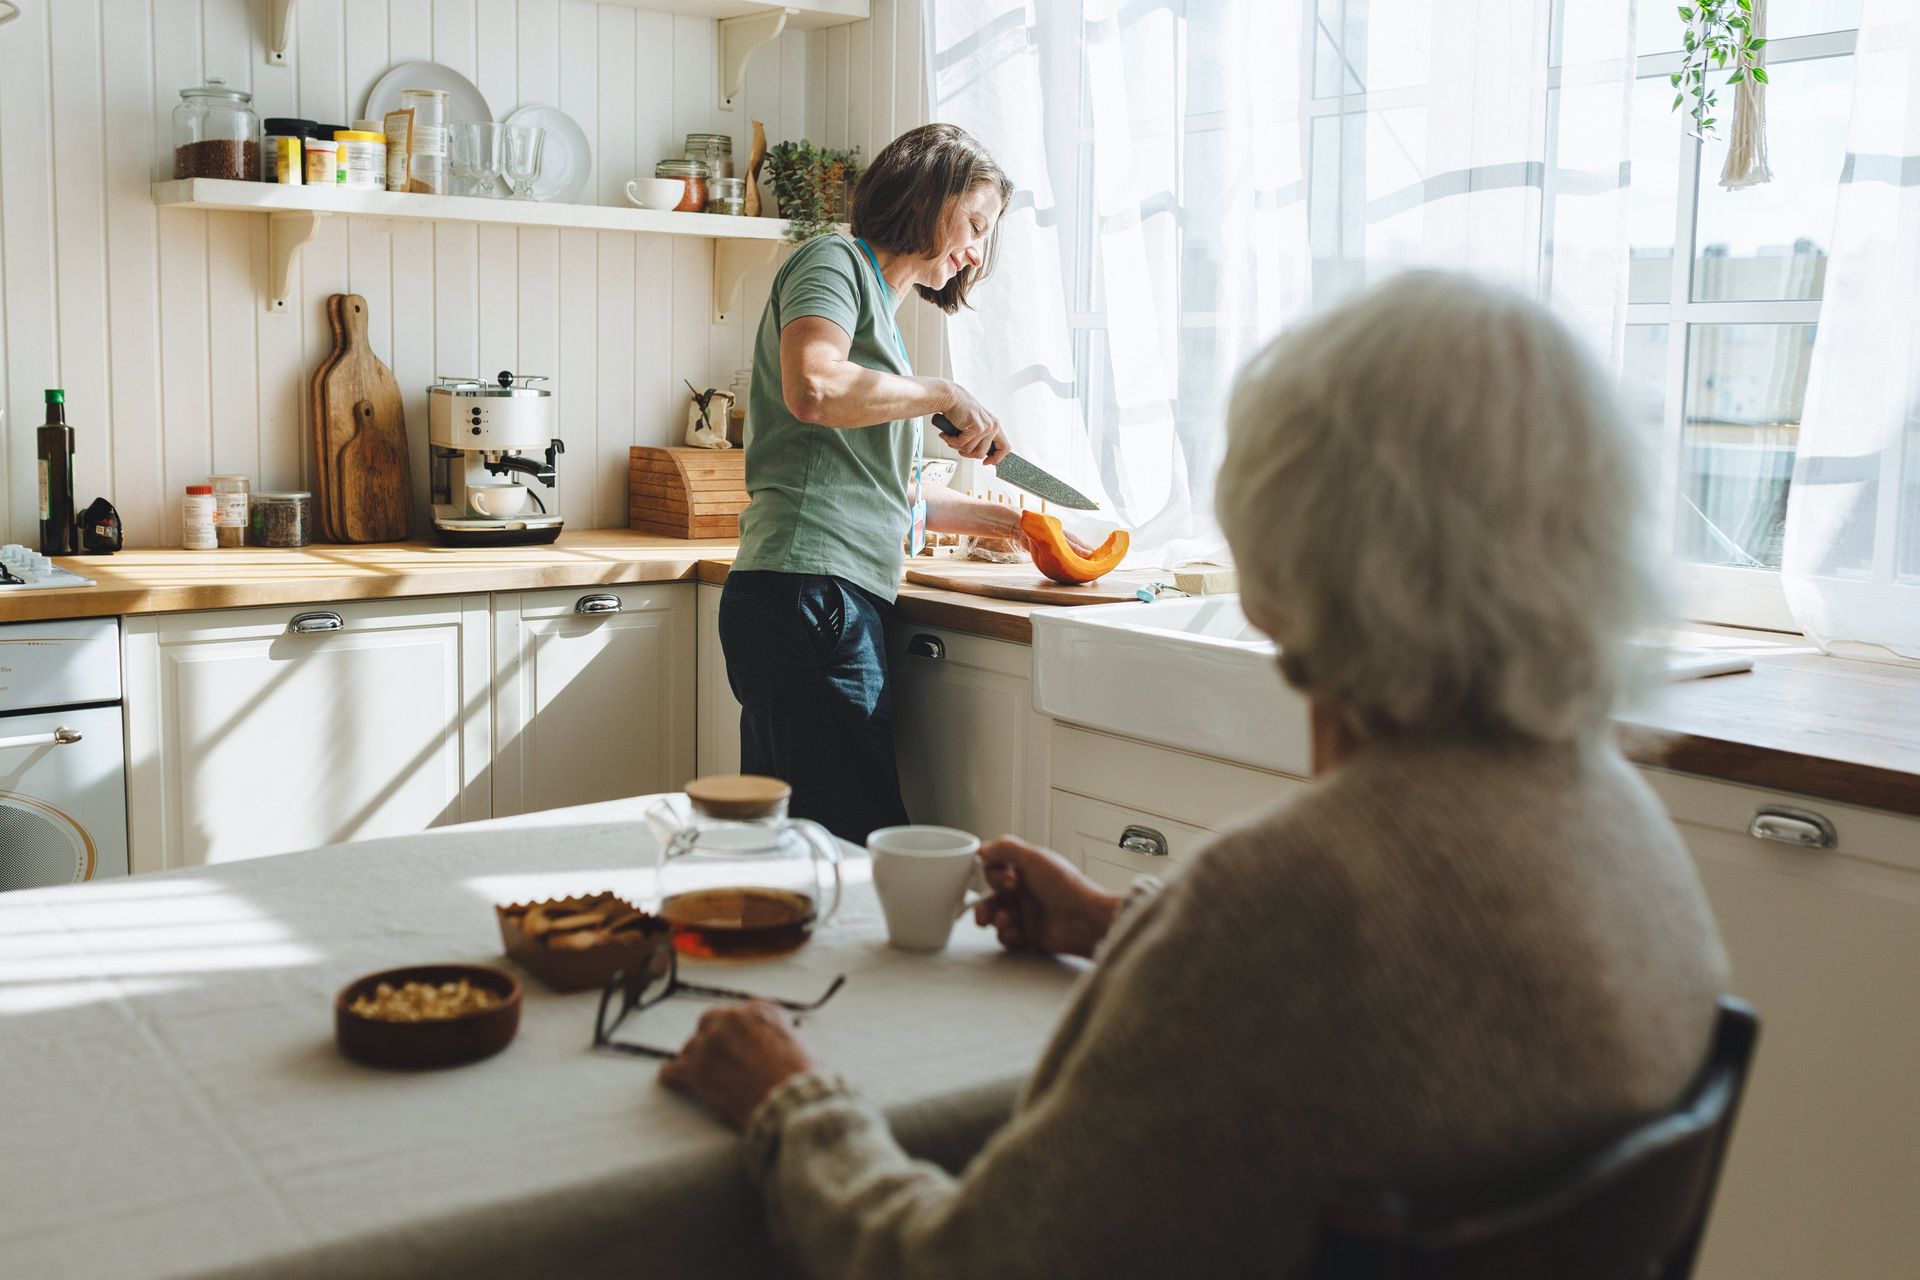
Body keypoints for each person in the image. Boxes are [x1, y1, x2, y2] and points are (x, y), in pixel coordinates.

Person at [662, 272, 1732, 1277]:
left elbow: (956, 1262)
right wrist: (1113, 921)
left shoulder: (1281, 901)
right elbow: (1369, 992)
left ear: (1291, 550)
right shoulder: (1625, 829)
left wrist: (790, 1099)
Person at [721, 123, 1090, 843]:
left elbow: (877, 492)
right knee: (857, 844)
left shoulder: (884, 330)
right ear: (927, 194)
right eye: (976, 223)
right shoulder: (831, 261)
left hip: (808, 597)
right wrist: (942, 392)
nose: (978, 251)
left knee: (791, 848)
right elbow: (816, 389)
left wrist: (1020, 529)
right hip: (810, 595)